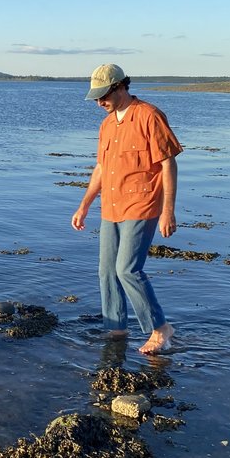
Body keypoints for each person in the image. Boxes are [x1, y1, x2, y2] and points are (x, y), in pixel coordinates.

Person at [71, 63, 182, 355]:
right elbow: (100, 168)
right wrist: (84, 206)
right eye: (95, 97)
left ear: (120, 86)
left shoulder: (149, 115)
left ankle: (161, 329)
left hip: (142, 204)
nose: (99, 102)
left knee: (128, 269)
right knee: (107, 271)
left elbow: (168, 163)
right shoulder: (107, 124)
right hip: (112, 205)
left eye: (103, 95)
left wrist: (168, 211)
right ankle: (116, 329)